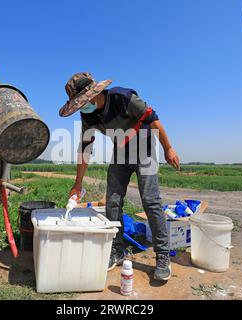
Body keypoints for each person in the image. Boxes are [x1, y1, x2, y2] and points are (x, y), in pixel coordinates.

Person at [59, 72, 180, 281]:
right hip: (121, 151)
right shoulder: (87, 114)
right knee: (113, 201)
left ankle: (162, 255)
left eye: (82, 102)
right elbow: (85, 148)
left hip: (144, 149)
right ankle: (117, 249)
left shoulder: (123, 98)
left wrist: (168, 148)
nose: (81, 107)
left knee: (150, 201)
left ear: (93, 94)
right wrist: (77, 184)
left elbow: (153, 120)